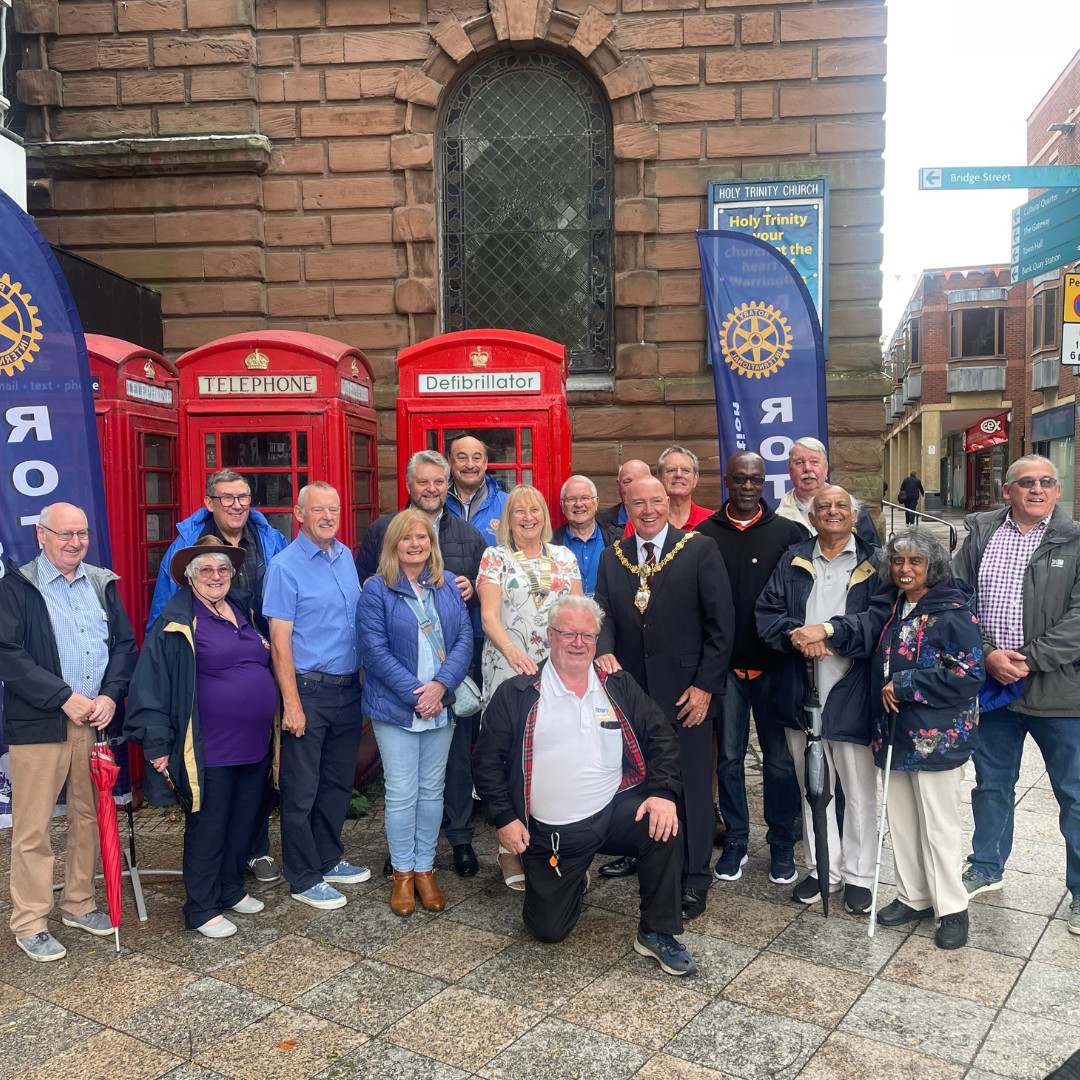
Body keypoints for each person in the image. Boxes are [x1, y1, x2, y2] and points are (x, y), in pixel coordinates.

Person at [473, 595, 696, 975]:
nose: (578, 643)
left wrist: (661, 793)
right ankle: (569, 876)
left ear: (596, 640)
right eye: (568, 634)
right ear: (549, 636)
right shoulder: (518, 693)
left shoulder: (617, 685)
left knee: (664, 825)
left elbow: (662, 737)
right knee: (548, 931)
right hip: (552, 834)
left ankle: (657, 931)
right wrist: (504, 818)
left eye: (587, 635)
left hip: (614, 811)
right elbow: (486, 762)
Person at [0, 503, 137, 962]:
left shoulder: (101, 582)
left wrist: (111, 695)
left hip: (95, 722)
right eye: (65, 534)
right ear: (41, 535)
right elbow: (8, 655)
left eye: (82, 533)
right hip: (42, 724)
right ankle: (30, 921)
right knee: (34, 828)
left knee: (90, 817)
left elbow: (123, 645)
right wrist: (63, 696)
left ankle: (78, 903)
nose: (75, 542)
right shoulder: (18, 587)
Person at [594, 476, 734, 921]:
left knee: (689, 786)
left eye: (657, 501)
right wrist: (604, 650)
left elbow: (721, 625)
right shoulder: (611, 557)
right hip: (632, 697)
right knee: (638, 783)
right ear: (627, 506)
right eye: (639, 503)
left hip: (686, 695)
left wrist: (706, 686)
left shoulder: (698, 549)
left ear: (668, 501)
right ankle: (649, 858)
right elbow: (604, 616)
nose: (649, 509)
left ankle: (694, 876)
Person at [951, 455, 1080, 936]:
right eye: (1027, 483)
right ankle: (986, 865)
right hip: (992, 689)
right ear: (1008, 491)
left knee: (1073, 793)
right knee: (991, 783)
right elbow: (956, 598)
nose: (1038, 490)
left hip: (1060, 691)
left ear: (1057, 491)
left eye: (1047, 482)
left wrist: (1027, 659)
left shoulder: (1075, 539)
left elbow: (1078, 618)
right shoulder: (983, 535)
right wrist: (986, 655)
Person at [126, 537, 277, 939]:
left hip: (254, 743)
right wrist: (157, 746)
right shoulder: (176, 620)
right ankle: (201, 906)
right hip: (208, 745)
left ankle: (229, 889)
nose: (216, 576)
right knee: (209, 825)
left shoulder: (243, 609)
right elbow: (151, 686)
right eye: (206, 569)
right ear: (190, 576)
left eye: (223, 569)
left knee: (244, 821)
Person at [146, 468, 289, 886]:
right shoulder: (187, 544)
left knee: (253, 789)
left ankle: (253, 852)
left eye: (242, 496)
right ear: (210, 501)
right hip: (210, 704)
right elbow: (164, 624)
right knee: (213, 803)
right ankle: (206, 896)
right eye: (225, 497)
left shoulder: (268, 540)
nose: (235, 505)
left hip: (261, 671)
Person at [755, 485, 893, 914]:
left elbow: (880, 619)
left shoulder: (876, 561)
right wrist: (799, 636)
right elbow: (768, 611)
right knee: (813, 786)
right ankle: (823, 870)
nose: (832, 513)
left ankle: (859, 876)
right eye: (823, 508)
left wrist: (829, 632)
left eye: (841, 507)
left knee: (858, 789)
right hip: (802, 687)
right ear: (811, 518)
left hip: (853, 688)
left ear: (854, 515)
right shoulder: (793, 557)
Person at [356, 450, 487, 878]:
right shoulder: (378, 571)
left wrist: (441, 688)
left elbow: (468, 629)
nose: (431, 489)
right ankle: (403, 869)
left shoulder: (465, 543)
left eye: (438, 482)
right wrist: (417, 692)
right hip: (400, 699)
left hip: (444, 693)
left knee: (440, 783)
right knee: (402, 790)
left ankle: (437, 859)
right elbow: (373, 646)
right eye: (422, 482)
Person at [696, 452, 807, 887]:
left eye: (755, 479)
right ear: (726, 480)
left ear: (765, 482)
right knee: (728, 759)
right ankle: (737, 839)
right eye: (739, 478)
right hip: (725, 667)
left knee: (780, 761)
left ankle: (781, 842)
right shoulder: (704, 535)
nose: (746, 486)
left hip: (776, 665)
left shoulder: (789, 533)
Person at [872, 528, 982, 950]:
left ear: (931, 565)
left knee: (939, 824)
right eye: (898, 560)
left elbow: (969, 675)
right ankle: (913, 896)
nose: (905, 569)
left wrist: (905, 684)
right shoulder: (898, 606)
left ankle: (951, 907)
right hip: (897, 734)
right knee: (902, 820)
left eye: (915, 561)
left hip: (937, 738)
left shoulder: (953, 611)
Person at [262, 482, 369, 911]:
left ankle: (328, 857)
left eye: (334, 509)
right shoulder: (285, 567)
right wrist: (291, 703)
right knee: (301, 788)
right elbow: (279, 641)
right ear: (299, 513)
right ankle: (303, 876)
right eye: (318, 510)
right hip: (308, 689)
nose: (328, 516)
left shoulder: (345, 557)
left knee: (337, 783)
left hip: (348, 687)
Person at [476, 484, 583, 888]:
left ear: (544, 515)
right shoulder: (495, 557)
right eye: (518, 511)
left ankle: (552, 842)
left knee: (554, 755)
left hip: (558, 670)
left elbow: (576, 614)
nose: (527, 516)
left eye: (534, 509)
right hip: (510, 669)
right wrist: (513, 654)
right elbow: (489, 617)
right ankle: (509, 847)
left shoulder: (564, 557)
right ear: (508, 518)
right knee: (510, 757)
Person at [776, 438, 881, 546]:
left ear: (826, 469)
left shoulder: (854, 511)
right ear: (790, 472)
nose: (807, 468)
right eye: (799, 462)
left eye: (814, 462)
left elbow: (873, 556)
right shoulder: (777, 518)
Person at [552, 475, 621, 597]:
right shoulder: (550, 544)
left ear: (596, 503)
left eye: (585, 498)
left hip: (608, 614)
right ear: (562, 506)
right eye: (571, 499)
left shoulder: (619, 540)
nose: (578, 504)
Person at [622, 447, 712, 537]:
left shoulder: (710, 521)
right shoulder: (640, 521)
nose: (679, 475)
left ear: (695, 479)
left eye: (686, 470)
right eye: (671, 470)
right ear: (660, 477)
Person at [445, 434, 509, 546]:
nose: (470, 465)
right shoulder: (437, 503)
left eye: (476, 458)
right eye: (462, 458)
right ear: (450, 462)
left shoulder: (507, 504)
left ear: (485, 463)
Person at [596, 459, 652, 533]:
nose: (634, 487)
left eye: (640, 480)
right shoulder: (600, 522)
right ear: (618, 485)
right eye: (628, 482)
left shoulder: (660, 517)